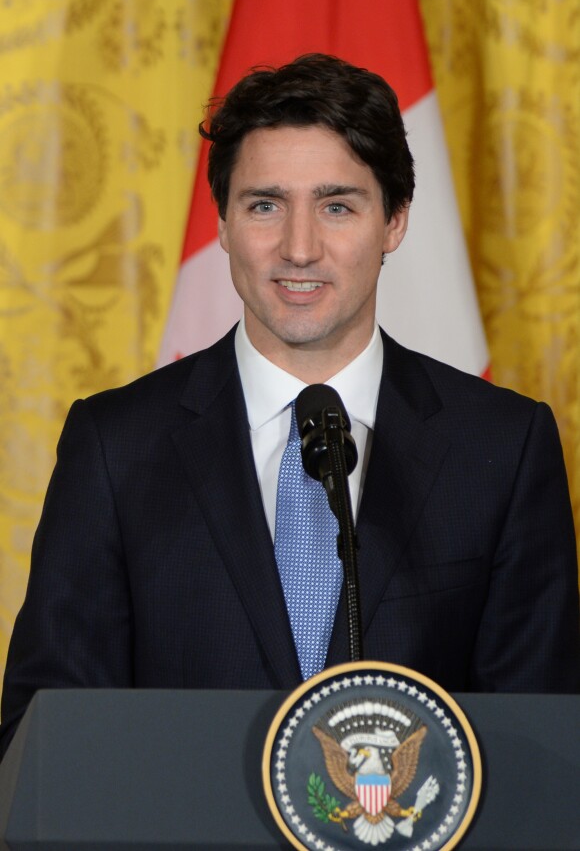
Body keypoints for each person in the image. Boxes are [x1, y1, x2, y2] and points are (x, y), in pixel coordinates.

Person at [1, 53, 578, 758]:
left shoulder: (504, 448)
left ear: (394, 222)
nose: (299, 248)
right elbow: (45, 742)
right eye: (265, 205)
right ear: (221, 223)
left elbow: (542, 753)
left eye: (338, 206)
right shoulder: (115, 446)